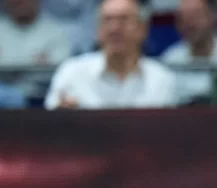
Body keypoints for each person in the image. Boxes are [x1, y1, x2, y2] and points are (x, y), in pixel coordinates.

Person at [43, 0, 177, 109]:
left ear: (142, 29)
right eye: (107, 20)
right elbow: (48, 127)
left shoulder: (161, 80)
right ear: (97, 30)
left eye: (124, 20)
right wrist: (61, 115)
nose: (114, 29)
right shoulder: (71, 73)